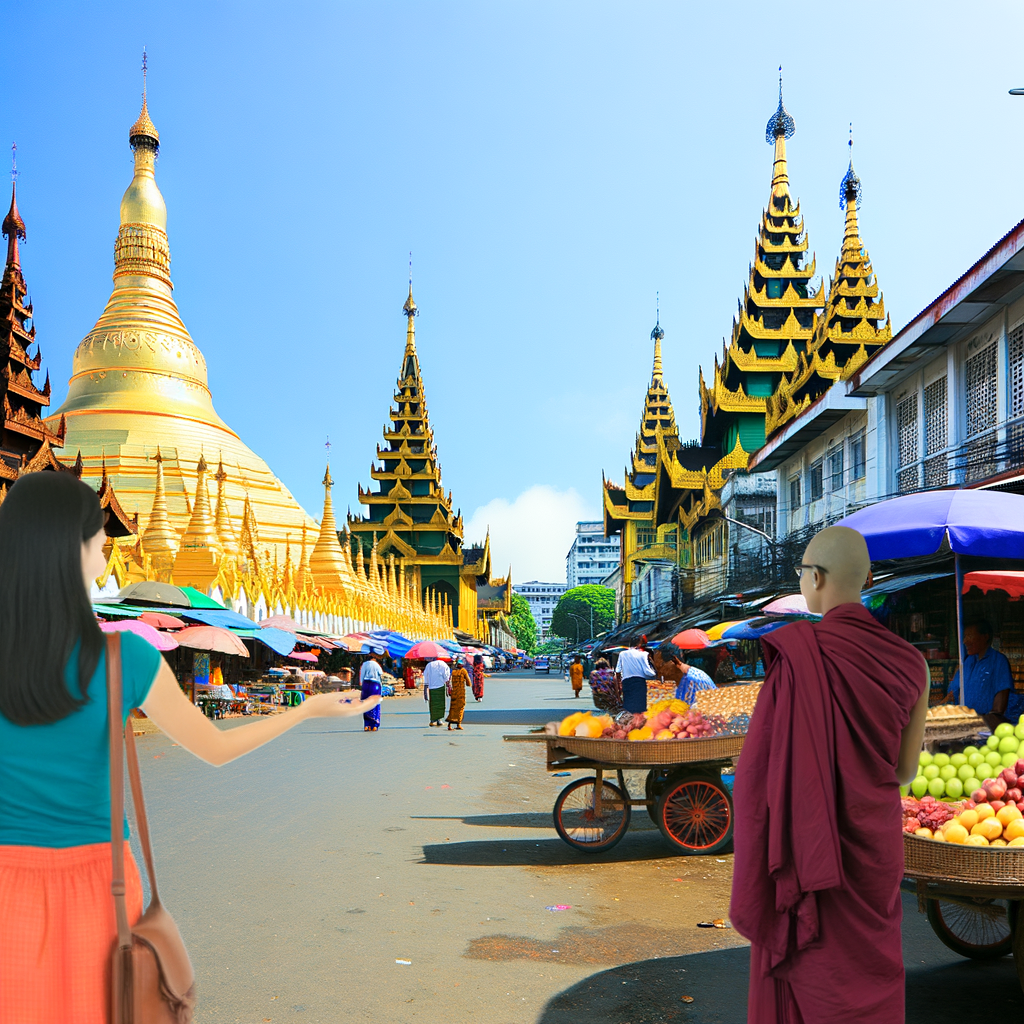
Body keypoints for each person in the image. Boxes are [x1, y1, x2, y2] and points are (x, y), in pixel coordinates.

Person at [0, 473, 379, 1024]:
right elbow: (215, 748)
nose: (105, 552)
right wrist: (304, 710)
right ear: (69, 551)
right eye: (98, 541)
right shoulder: (123, 657)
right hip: (97, 885)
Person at [730, 525, 928, 1024]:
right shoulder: (912, 663)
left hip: (810, 850)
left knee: (808, 968)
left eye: (802, 574)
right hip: (873, 850)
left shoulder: (796, 656)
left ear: (814, 578)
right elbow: (905, 771)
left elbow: (759, 779)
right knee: (871, 972)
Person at [946, 620, 1014, 730]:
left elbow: (999, 709)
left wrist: (980, 722)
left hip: (986, 728)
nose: (965, 641)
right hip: (963, 725)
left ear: (985, 637)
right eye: (965, 636)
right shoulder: (967, 662)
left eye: (969, 636)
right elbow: (952, 694)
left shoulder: (998, 661)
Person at [651, 641, 717, 705]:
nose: (659, 673)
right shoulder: (680, 681)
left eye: (660, 666)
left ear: (674, 661)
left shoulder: (695, 680)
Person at [614, 643, 656, 714]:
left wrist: (619, 682)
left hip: (626, 682)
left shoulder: (622, 654)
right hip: (639, 683)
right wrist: (654, 674)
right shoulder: (643, 654)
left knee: (628, 705)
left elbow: (617, 670)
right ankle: (639, 723)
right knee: (640, 706)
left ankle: (629, 722)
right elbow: (647, 671)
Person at [359, 647, 385, 731]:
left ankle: (367, 725)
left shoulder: (364, 664)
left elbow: (362, 676)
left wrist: (361, 685)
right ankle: (374, 725)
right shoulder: (376, 664)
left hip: (366, 684)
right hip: (375, 685)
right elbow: (381, 674)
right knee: (375, 704)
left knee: (365, 703)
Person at [423, 655, 451, 726]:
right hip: (441, 686)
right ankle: (439, 720)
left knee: (433, 704)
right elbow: (446, 675)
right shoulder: (442, 664)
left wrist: (425, 691)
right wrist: (448, 685)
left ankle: (433, 720)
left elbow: (426, 677)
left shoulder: (428, 665)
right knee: (440, 704)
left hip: (432, 687)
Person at [447, 657, 470, 730]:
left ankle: (449, 724)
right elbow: (468, 683)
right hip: (461, 692)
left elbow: (449, 682)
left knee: (453, 708)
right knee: (460, 707)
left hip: (454, 692)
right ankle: (458, 724)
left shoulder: (453, 672)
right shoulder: (463, 671)